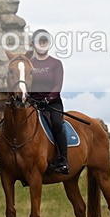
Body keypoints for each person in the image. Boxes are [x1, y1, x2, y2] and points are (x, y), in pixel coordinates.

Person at [29, 29, 70, 175]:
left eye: (44, 41)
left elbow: (57, 86)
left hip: (52, 103)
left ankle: (63, 159)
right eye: (39, 41)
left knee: (57, 124)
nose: (42, 44)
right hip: (32, 103)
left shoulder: (56, 63)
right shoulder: (29, 63)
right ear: (33, 44)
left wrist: (47, 99)